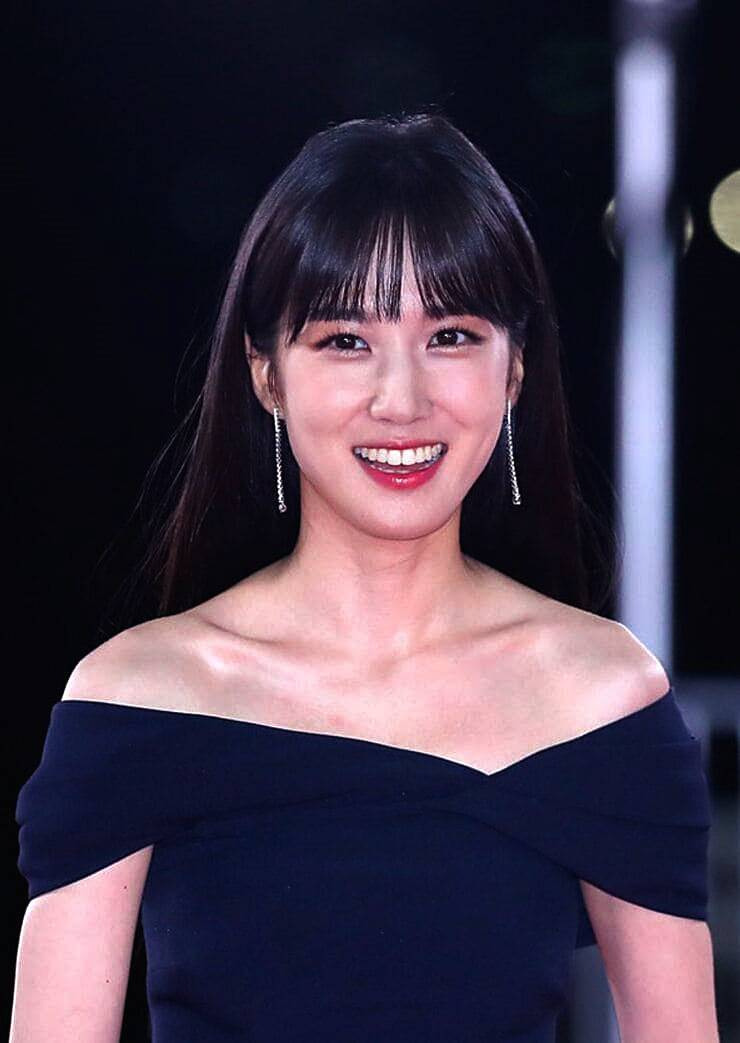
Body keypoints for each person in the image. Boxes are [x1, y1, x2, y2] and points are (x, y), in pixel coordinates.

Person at [11, 112, 718, 1042]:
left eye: (451, 335)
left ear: (514, 370)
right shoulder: (137, 701)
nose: (401, 399)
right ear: (266, 373)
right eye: (346, 340)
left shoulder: (602, 700)